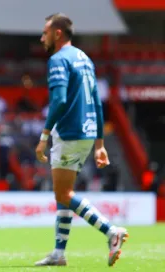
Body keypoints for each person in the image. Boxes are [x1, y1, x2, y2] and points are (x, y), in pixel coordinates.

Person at [34, 13, 128, 267]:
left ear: (57, 33)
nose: (41, 37)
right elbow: (97, 102)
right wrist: (100, 144)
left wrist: (44, 136)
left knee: (63, 192)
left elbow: (60, 100)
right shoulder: (84, 58)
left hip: (69, 131)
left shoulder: (58, 59)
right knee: (63, 194)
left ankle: (111, 231)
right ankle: (58, 253)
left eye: (45, 32)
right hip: (87, 132)